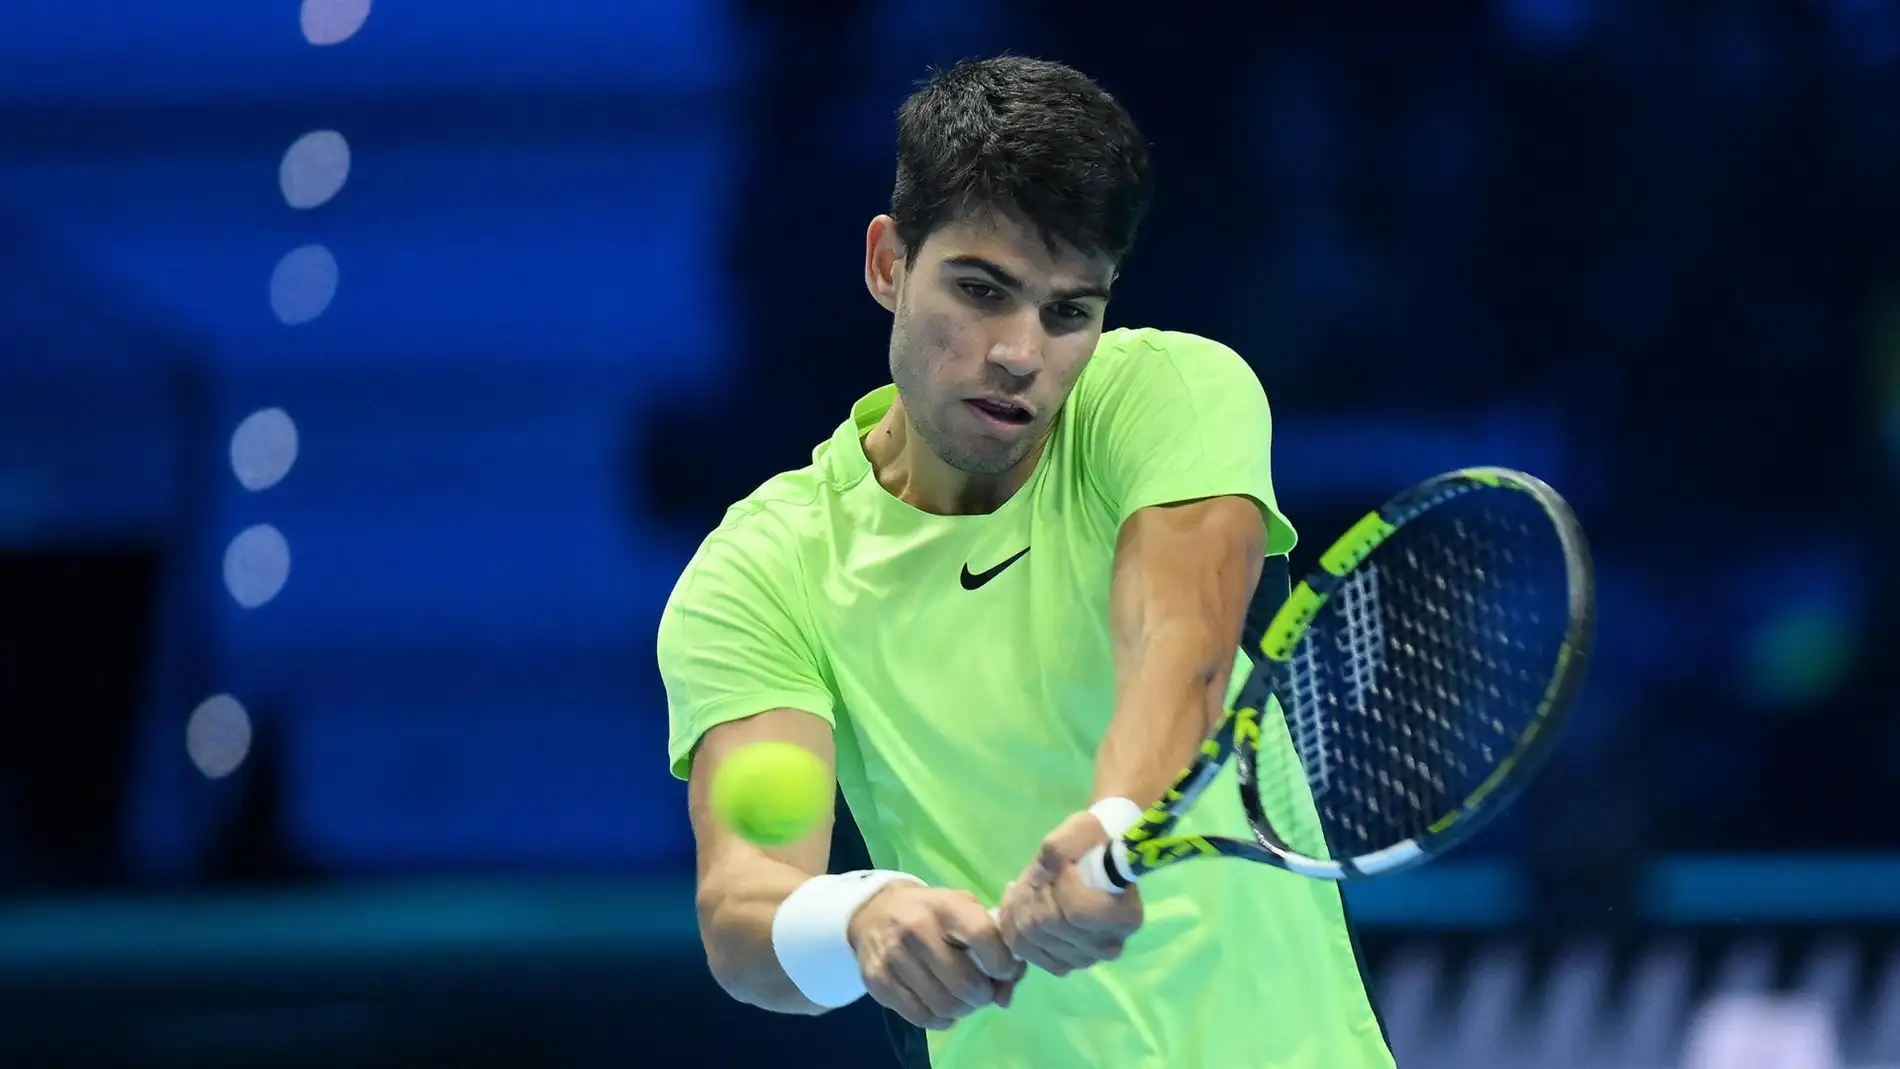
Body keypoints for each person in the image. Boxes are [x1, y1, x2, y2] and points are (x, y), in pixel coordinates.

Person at [656, 55, 1394, 1069]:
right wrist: (862, 918)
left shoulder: (1172, 395)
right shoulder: (763, 570)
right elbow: (743, 911)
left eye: (1066, 311)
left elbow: (1180, 638)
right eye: (980, 289)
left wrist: (1112, 826)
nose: (1018, 353)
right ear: (886, 263)